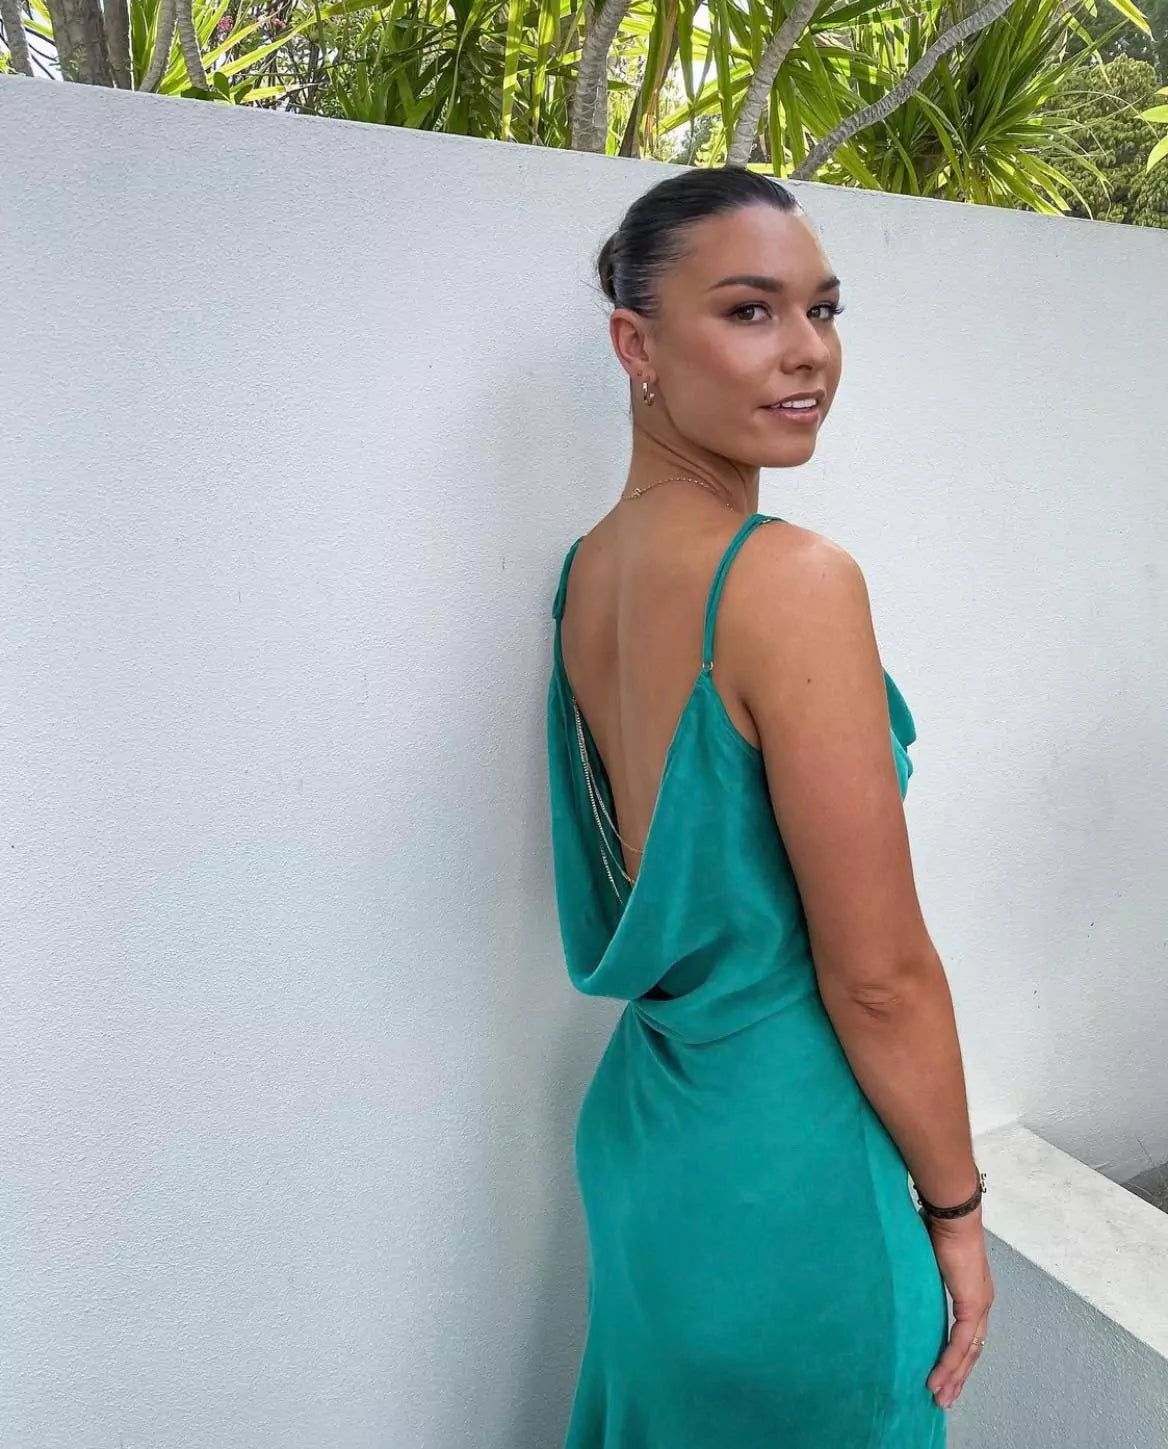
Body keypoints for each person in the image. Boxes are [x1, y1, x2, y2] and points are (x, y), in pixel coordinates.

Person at [545, 165, 994, 1449]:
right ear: (635, 343)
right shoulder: (789, 580)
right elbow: (879, 978)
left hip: (649, 1144)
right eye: (749, 311)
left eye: (825, 309)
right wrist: (955, 1214)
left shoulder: (587, 574)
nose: (806, 354)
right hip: (789, 1180)